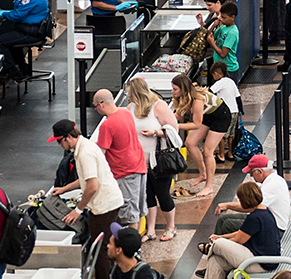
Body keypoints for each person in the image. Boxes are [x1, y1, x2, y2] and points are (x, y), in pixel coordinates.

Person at [50, 119, 126, 279]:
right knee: (105, 246)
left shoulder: (85, 153)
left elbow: (92, 186)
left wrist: (78, 210)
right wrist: (64, 188)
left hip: (103, 206)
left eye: (59, 141)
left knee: (101, 249)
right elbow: (86, 179)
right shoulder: (84, 147)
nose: (59, 145)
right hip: (108, 202)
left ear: (68, 137)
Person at [196, 178, 282, 279]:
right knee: (215, 260)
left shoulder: (254, 217)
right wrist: (222, 236)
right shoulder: (264, 211)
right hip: (262, 258)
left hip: (259, 262)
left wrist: (219, 241)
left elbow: (238, 240)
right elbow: (242, 232)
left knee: (218, 244)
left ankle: (211, 248)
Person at [127, 79, 179, 243]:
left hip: (159, 160)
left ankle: (171, 227)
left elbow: (174, 130)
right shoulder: (131, 108)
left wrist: (155, 132)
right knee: (147, 195)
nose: (128, 96)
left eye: (130, 93)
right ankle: (151, 230)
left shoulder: (159, 106)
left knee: (163, 194)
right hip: (139, 160)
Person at [92, 89, 147, 227]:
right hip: (139, 166)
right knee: (137, 212)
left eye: (95, 106)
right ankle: (136, 240)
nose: (96, 109)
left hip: (124, 173)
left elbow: (100, 153)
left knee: (129, 217)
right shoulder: (126, 113)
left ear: (101, 104)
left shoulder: (107, 125)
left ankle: (131, 241)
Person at [172, 74, 232, 194]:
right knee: (190, 143)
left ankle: (209, 186)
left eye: (175, 89)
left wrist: (175, 126)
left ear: (183, 89)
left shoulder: (197, 100)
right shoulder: (184, 97)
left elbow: (196, 124)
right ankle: (203, 173)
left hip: (221, 116)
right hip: (208, 115)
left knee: (208, 151)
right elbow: (178, 115)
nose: (172, 91)